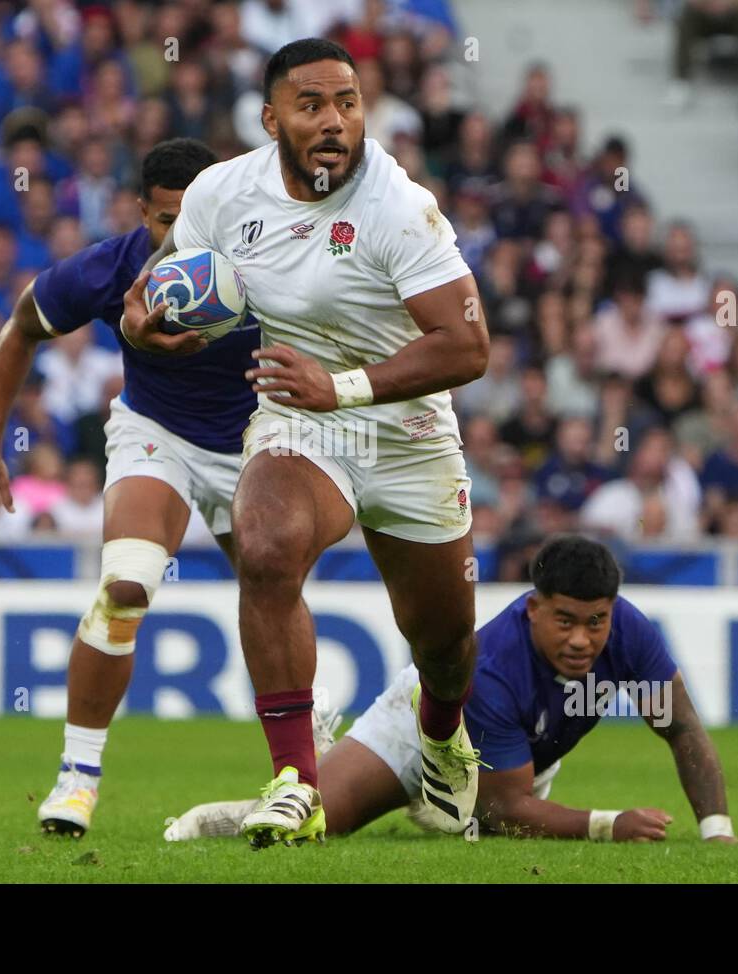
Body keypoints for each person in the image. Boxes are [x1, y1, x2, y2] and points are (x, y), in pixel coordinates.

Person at [120, 38, 490, 847]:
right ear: (270, 117)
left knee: (445, 642)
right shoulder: (221, 193)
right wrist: (144, 327)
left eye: (348, 104)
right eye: (311, 105)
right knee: (265, 545)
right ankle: (296, 780)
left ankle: (440, 738)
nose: (334, 122)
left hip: (406, 427)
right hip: (300, 414)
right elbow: (156, 292)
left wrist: (346, 385)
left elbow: (467, 347)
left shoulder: (398, 205)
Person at [0, 138, 260, 839]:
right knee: (126, 586)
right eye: (162, 221)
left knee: (273, 599)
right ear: (139, 211)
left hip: (257, 444)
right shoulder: (110, 267)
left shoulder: (264, 266)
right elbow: (22, 327)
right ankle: (77, 777)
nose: (177, 238)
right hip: (159, 436)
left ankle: (301, 770)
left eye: (193, 219)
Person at [165, 535, 738, 847]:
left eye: (596, 622)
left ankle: (447, 808)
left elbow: (682, 727)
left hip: (507, 756)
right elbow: (506, 806)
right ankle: (223, 818)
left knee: (478, 826)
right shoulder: (491, 666)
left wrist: (718, 833)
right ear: (533, 607)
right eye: (565, 620)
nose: (582, 640)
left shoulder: (632, 634)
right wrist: (607, 824)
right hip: (423, 721)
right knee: (314, 826)